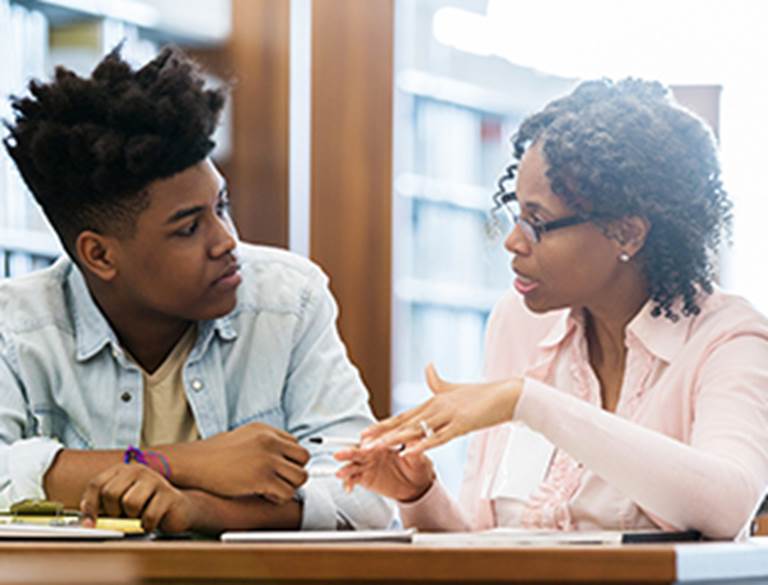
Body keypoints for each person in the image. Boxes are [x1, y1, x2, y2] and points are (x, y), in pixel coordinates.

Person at [336, 79, 768, 540]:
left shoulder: (730, 340)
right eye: (516, 214)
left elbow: (729, 505)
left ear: (627, 233)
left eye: (538, 223)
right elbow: (482, 542)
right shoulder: (518, 322)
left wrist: (528, 402)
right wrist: (418, 494)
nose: (513, 241)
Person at [0, 46, 393, 534]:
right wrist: (184, 463)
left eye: (221, 206)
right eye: (188, 228)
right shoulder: (16, 329)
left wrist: (200, 510)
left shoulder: (289, 301)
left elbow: (368, 493)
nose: (227, 241)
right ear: (100, 256)